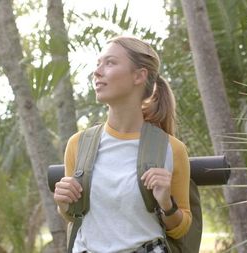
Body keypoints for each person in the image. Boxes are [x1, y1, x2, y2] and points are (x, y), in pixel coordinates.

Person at [53, 36, 192, 253]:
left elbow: (180, 229)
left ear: (139, 75)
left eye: (110, 63)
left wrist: (166, 203)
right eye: (98, 64)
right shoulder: (78, 144)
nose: (97, 72)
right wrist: (63, 202)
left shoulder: (171, 149)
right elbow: (73, 215)